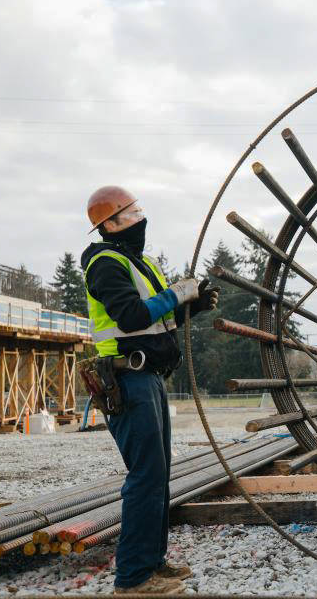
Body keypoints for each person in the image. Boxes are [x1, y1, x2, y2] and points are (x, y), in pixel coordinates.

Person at [81, 186, 219, 594]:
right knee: (145, 476)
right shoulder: (105, 264)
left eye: (139, 211)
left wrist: (191, 305)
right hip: (126, 379)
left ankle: (152, 564)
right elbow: (132, 316)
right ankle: (133, 579)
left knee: (157, 475)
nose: (140, 219)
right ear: (109, 225)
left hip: (148, 377)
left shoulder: (137, 263)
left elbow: (156, 320)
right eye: (130, 214)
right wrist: (177, 292)